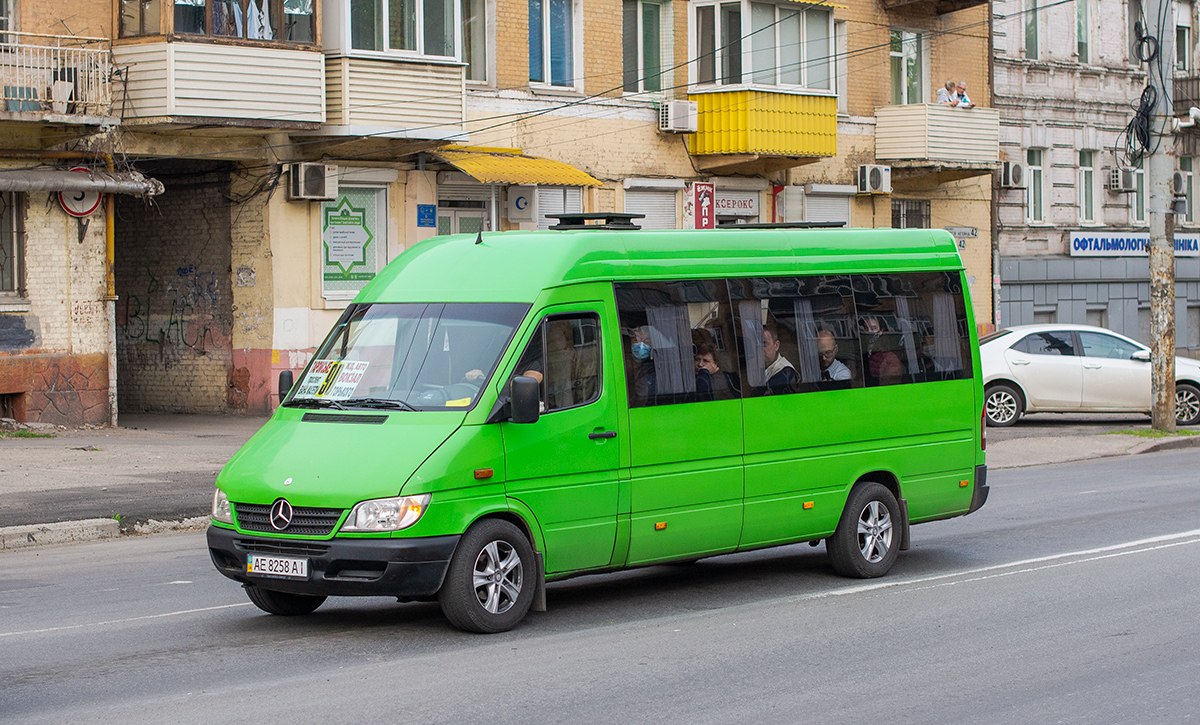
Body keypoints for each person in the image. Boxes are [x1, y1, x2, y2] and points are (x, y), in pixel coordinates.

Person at [862, 315, 903, 386]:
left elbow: (891, 384)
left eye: (873, 328)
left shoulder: (889, 357)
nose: (869, 331)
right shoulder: (861, 352)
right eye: (866, 328)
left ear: (881, 331)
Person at [762, 325, 797, 394]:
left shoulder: (785, 372)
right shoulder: (759, 366)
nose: (759, 348)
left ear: (776, 345)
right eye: (756, 344)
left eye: (764, 343)